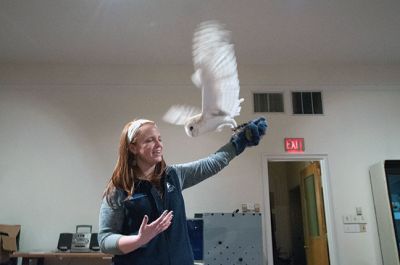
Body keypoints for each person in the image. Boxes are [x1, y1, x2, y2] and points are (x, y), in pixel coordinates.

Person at [98, 117, 267, 265]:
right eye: (149, 140)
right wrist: (138, 239)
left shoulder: (173, 176)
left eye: (159, 139)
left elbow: (211, 163)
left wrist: (239, 142)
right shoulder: (119, 188)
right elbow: (105, 240)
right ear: (133, 148)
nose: (158, 145)